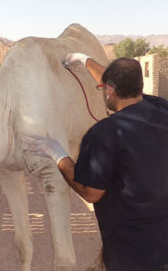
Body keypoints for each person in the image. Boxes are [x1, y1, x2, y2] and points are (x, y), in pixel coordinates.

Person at [24, 53, 168, 271]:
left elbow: (90, 192)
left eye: (103, 88)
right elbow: (123, 84)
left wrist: (58, 155)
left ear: (109, 90)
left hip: (131, 254)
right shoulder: (161, 108)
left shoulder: (105, 133)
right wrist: (84, 61)